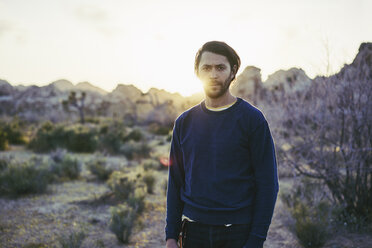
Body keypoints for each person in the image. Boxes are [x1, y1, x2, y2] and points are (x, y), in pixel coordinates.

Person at [165, 41, 279, 248]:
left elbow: (268, 184)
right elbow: (175, 182)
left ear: (233, 72)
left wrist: (256, 240)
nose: (213, 74)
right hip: (193, 232)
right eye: (206, 68)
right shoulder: (184, 123)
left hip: (237, 232)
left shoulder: (252, 120)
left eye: (220, 67)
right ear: (197, 72)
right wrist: (171, 236)